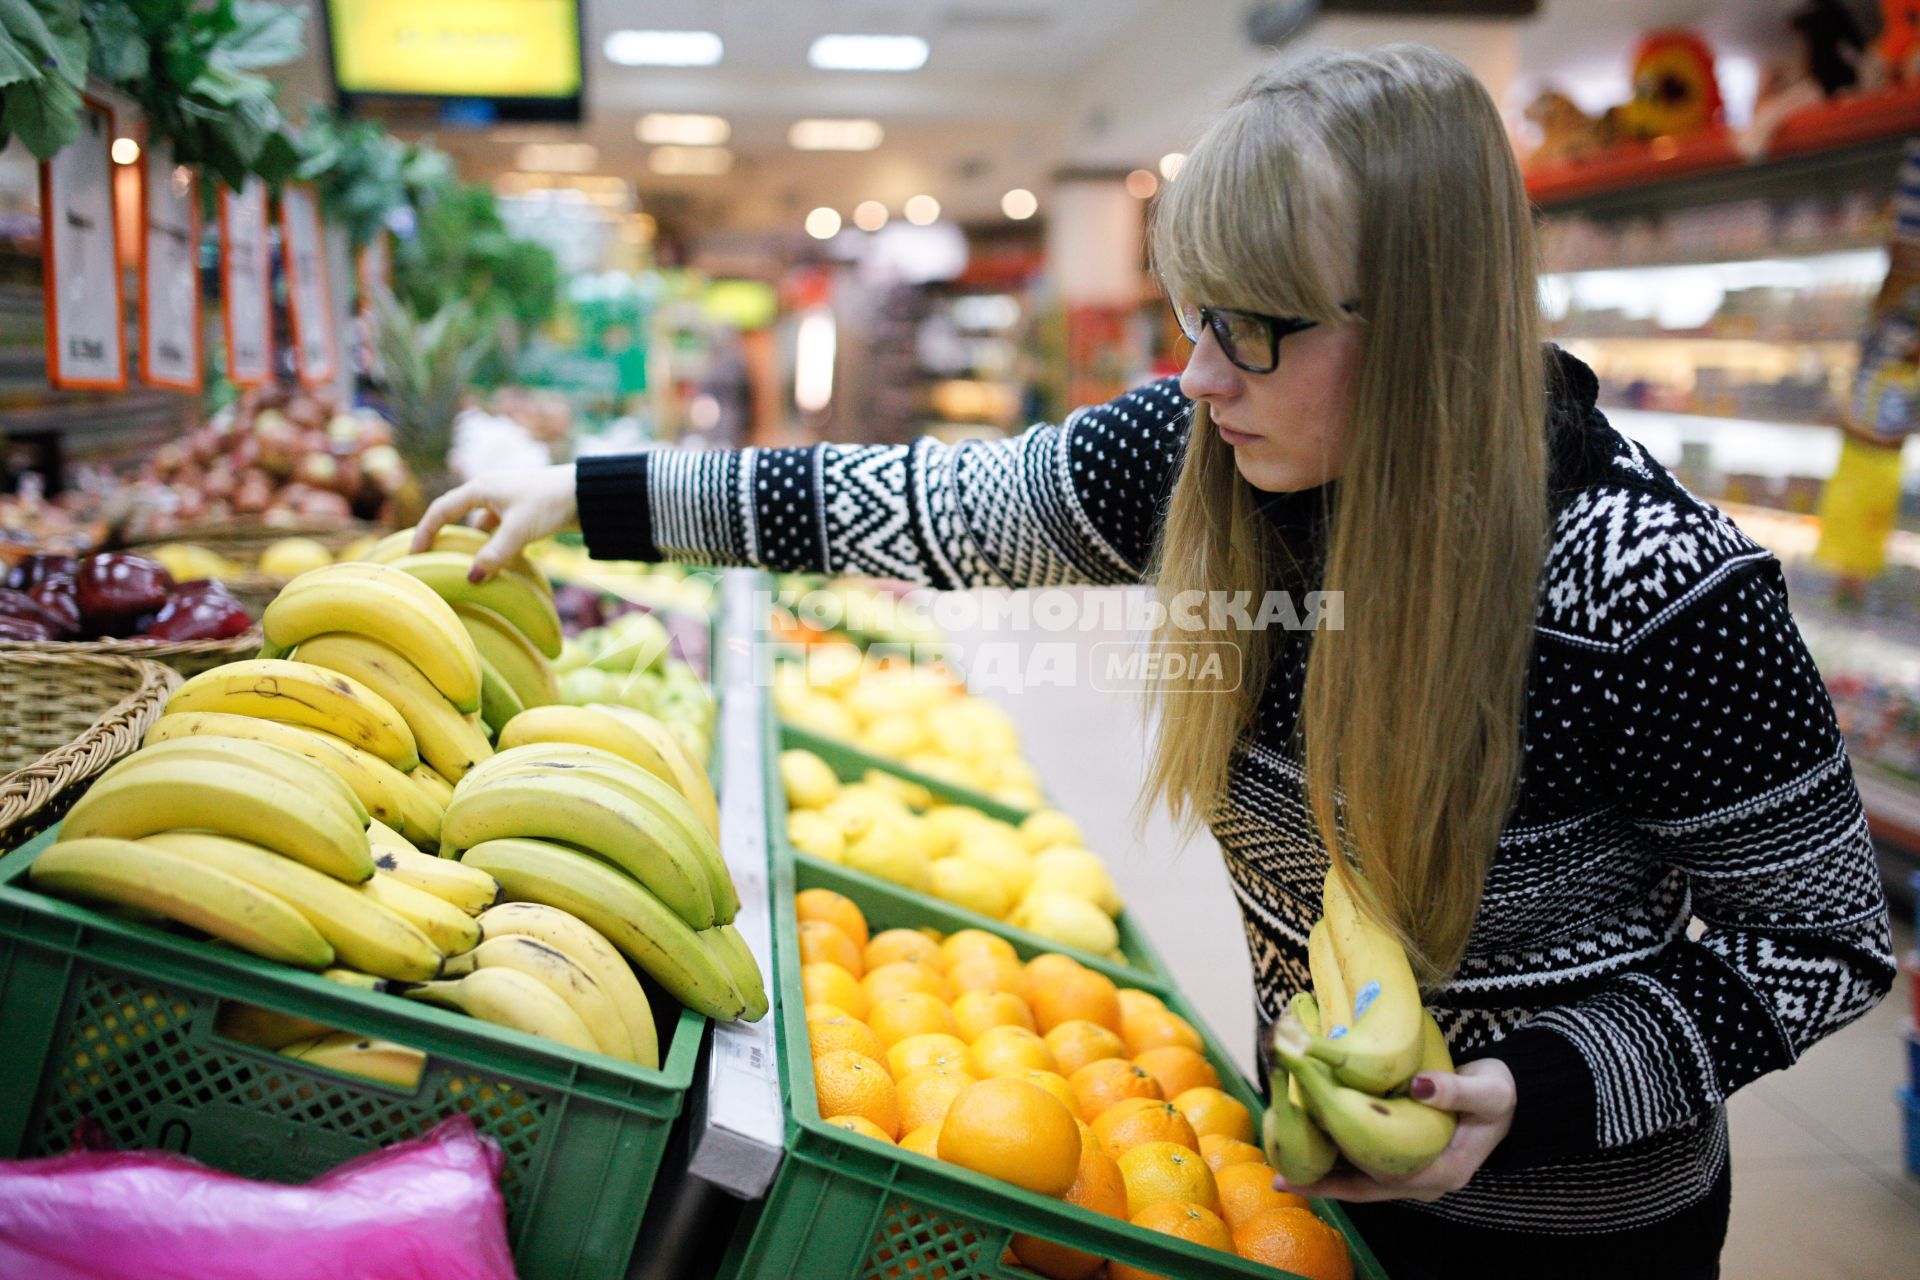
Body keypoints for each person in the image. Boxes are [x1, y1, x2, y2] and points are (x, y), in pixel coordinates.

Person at [416, 45, 1893, 1280]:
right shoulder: (1204, 461)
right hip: (1300, 1180)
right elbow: (936, 508)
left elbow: (1826, 947)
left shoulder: (1659, 591)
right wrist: (595, 496)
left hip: (1577, 1233)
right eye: (1198, 314)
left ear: (1433, 323)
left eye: (1254, 327)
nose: (1199, 373)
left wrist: (1525, 1094)